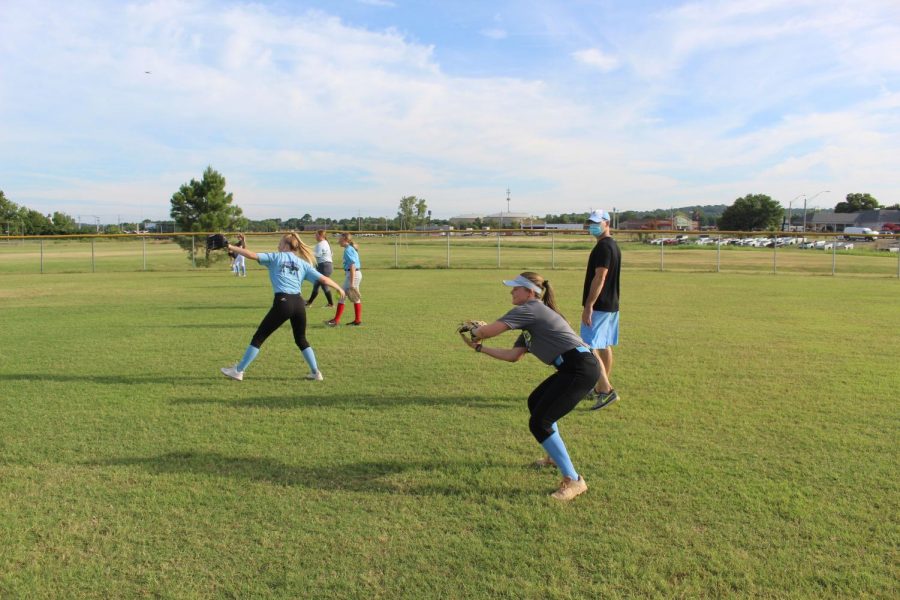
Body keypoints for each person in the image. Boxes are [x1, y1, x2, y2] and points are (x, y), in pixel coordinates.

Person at [461, 272, 601, 501]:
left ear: (529, 292)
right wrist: (479, 348)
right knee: (535, 402)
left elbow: (487, 331)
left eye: (515, 288)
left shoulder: (530, 309)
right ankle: (554, 457)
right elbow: (514, 356)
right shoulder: (529, 319)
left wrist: (473, 331)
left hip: (580, 368)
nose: (511, 292)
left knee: (540, 421)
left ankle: (574, 480)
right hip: (572, 368)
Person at [220, 232, 345, 382]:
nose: (278, 245)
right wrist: (339, 288)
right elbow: (323, 279)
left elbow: (251, 255)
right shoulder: (303, 263)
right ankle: (316, 372)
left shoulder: (276, 257)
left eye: (280, 243)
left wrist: (230, 246)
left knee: (259, 337)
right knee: (301, 339)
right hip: (299, 304)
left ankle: (238, 371)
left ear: (286, 245)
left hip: (283, 302)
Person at [581, 209, 622, 410]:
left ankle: (605, 389)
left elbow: (600, 277)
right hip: (611, 304)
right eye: (590, 222)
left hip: (599, 306)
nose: (592, 226)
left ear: (607, 223)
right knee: (604, 345)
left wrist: (589, 305)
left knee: (588, 346)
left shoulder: (603, 248)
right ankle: (599, 387)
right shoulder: (612, 245)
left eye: (596, 222)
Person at [325, 232, 362, 327]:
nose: (338, 241)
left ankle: (336, 320)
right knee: (355, 297)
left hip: (353, 274)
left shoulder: (348, 250)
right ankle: (357, 320)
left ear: (345, 240)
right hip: (355, 274)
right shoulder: (349, 248)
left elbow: (352, 266)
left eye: (340, 239)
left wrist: (352, 283)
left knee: (341, 294)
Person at [305, 229, 334, 308]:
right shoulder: (325, 243)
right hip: (326, 266)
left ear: (321, 236)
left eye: (316, 235)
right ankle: (310, 302)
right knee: (320, 284)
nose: (315, 236)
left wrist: (308, 253)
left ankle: (310, 303)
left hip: (324, 266)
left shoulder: (321, 244)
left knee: (319, 284)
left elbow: (318, 255)